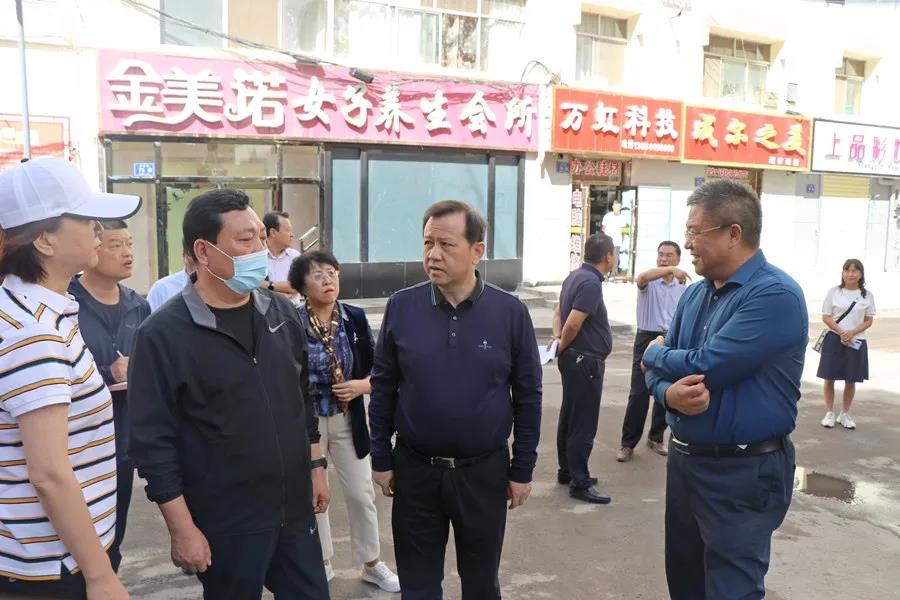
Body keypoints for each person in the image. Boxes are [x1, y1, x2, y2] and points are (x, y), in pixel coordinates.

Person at [128, 189, 330, 600]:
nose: (260, 249)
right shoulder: (163, 335)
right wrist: (182, 529)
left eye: (261, 237)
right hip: (226, 521)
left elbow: (302, 396)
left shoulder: (281, 313)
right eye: (245, 240)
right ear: (203, 251)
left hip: (294, 512)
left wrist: (316, 466)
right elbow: (152, 444)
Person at [642, 179, 807, 600]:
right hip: (686, 463)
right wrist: (666, 394)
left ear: (734, 233)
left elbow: (706, 365)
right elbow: (654, 373)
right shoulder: (694, 295)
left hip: (743, 472)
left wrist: (655, 353)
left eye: (695, 231)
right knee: (685, 583)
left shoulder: (774, 295)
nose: (687, 243)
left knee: (731, 590)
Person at [368, 200, 541, 599]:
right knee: (418, 585)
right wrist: (381, 458)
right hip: (415, 471)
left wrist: (522, 469)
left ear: (477, 251)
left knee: (481, 583)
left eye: (446, 244)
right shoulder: (402, 307)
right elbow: (384, 385)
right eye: (427, 243)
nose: (433, 254)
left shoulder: (510, 312)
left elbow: (528, 395)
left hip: (482, 473)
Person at [0, 157, 140, 599]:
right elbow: (49, 472)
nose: (99, 229)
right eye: (86, 219)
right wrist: (100, 575)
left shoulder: (38, 310)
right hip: (54, 566)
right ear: (45, 239)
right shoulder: (33, 332)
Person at [289, 250, 400, 593]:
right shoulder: (291, 322)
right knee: (315, 494)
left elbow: (380, 368)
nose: (328, 280)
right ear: (302, 286)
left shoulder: (353, 317)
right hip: (306, 423)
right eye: (318, 275)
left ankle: (372, 562)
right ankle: (322, 562)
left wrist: (361, 386)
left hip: (347, 417)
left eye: (332, 272)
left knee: (361, 491)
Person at [68, 219, 151, 561]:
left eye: (129, 244)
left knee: (112, 538)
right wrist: (107, 372)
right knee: (74, 539)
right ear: (92, 247)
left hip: (122, 440)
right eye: (116, 245)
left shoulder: (138, 305)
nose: (127, 253)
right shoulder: (66, 302)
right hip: (77, 443)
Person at [550, 233, 617, 504]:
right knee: (583, 422)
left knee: (570, 415)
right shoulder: (590, 282)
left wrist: (557, 340)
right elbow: (574, 323)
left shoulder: (574, 277)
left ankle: (567, 470)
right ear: (608, 256)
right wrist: (562, 345)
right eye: (613, 254)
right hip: (584, 360)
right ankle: (580, 481)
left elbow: (558, 313)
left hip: (575, 358)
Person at [616, 241, 689, 462]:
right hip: (646, 337)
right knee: (638, 393)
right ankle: (628, 444)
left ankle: (656, 437)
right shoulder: (649, 282)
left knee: (664, 392)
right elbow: (641, 278)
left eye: (669, 255)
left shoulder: (683, 287)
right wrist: (670, 270)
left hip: (669, 339)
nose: (663, 259)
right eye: (660, 255)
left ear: (678, 258)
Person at [817, 258, 875, 430]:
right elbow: (826, 316)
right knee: (829, 377)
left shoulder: (867, 295)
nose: (851, 274)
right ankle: (829, 413)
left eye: (855, 270)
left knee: (851, 378)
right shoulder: (834, 292)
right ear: (842, 273)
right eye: (847, 270)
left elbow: (868, 320)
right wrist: (842, 332)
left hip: (856, 340)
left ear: (861, 274)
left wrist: (852, 332)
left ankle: (845, 413)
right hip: (835, 338)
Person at [263, 211, 301, 299]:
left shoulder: (295, 256)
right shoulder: (258, 256)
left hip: (293, 306)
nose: (292, 235)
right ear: (273, 232)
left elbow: (297, 286)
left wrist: (267, 285)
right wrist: (282, 295)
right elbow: (254, 287)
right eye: (288, 230)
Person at [601, 200, 628, 276]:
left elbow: (624, 230)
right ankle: (605, 274)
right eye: (615, 206)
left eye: (618, 207)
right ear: (613, 206)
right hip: (608, 241)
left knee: (615, 259)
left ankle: (612, 275)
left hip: (617, 241)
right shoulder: (607, 216)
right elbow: (603, 228)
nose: (616, 208)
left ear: (620, 207)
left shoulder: (623, 218)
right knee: (606, 258)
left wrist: (622, 239)